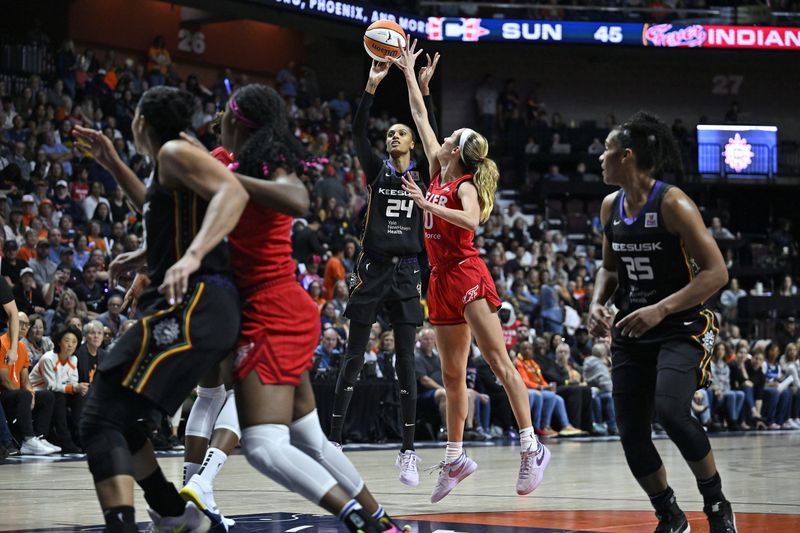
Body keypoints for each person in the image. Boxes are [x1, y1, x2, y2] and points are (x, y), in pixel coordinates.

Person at [182, 83, 405, 533]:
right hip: (267, 308)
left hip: (273, 312)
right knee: (310, 439)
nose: (217, 122)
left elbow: (299, 198)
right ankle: (381, 522)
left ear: (239, 124)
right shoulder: (224, 163)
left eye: (224, 114)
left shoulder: (268, 168)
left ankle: (357, 521)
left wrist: (220, 178)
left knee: (264, 446)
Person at [73, 85, 248, 532]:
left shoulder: (175, 151)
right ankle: (177, 515)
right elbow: (156, 209)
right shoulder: (171, 159)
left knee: (97, 417)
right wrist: (112, 161)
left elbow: (233, 194)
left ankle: (148, 521)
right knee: (123, 419)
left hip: (197, 302)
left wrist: (190, 257)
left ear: (141, 122)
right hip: (201, 306)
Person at [392, 40, 549, 503]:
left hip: (467, 273)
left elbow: (474, 219)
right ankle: (456, 456)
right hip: (438, 279)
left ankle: (530, 446)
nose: (436, 142)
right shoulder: (441, 172)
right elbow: (420, 117)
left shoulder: (460, 185)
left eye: (445, 141)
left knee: (500, 362)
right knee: (452, 376)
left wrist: (424, 203)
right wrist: (408, 75)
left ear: (457, 152)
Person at [589, 112, 736, 533]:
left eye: (607, 150)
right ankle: (669, 515)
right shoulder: (609, 207)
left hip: (681, 326)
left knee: (672, 412)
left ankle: (716, 504)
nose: (601, 157)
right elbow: (609, 270)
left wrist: (661, 309)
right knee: (631, 432)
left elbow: (716, 273)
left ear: (627, 155)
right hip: (632, 330)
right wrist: (597, 304)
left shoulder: (674, 203)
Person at [329, 56, 440, 487]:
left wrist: (425, 92)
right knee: (354, 356)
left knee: (406, 363)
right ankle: (334, 443)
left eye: (400, 133)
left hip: (407, 271)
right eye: (390, 133)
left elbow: (433, 134)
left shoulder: (425, 175)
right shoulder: (376, 170)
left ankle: (408, 451)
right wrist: (371, 88)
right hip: (372, 269)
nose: (393, 136)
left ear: (411, 143)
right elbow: (358, 131)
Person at [29, 324, 87, 453]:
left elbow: (73, 382)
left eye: (74, 342)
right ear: (59, 342)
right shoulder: (48, 358)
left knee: (79, 396)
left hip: (56, 392)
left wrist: (79, 388)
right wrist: (74, 388)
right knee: (58, 396)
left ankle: (80, 437)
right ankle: (64, 439)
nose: (70, 345)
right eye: (67, 341)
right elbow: (51, 385)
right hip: (37, 393)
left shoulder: (74, 359)